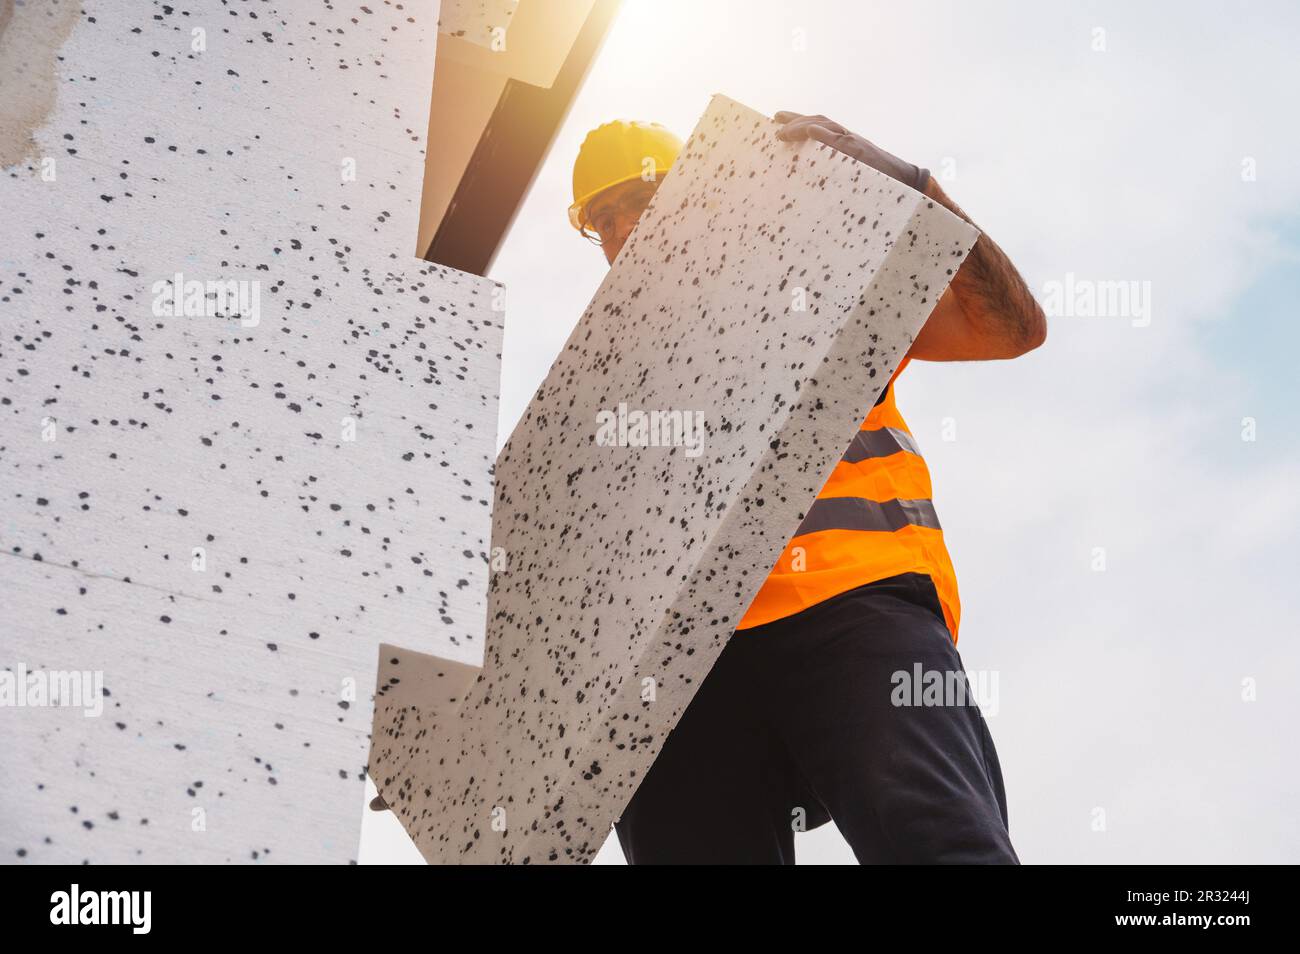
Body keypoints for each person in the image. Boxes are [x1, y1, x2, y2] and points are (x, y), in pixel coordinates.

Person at [569, 113, 1046, 864]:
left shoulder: (811, 294)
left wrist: (909, 182)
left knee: (943, 848)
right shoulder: (601, 397)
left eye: (643, 200)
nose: (624, 230)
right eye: (604, 219)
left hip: (851, 610)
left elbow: (1010, 326)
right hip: (682, 668)